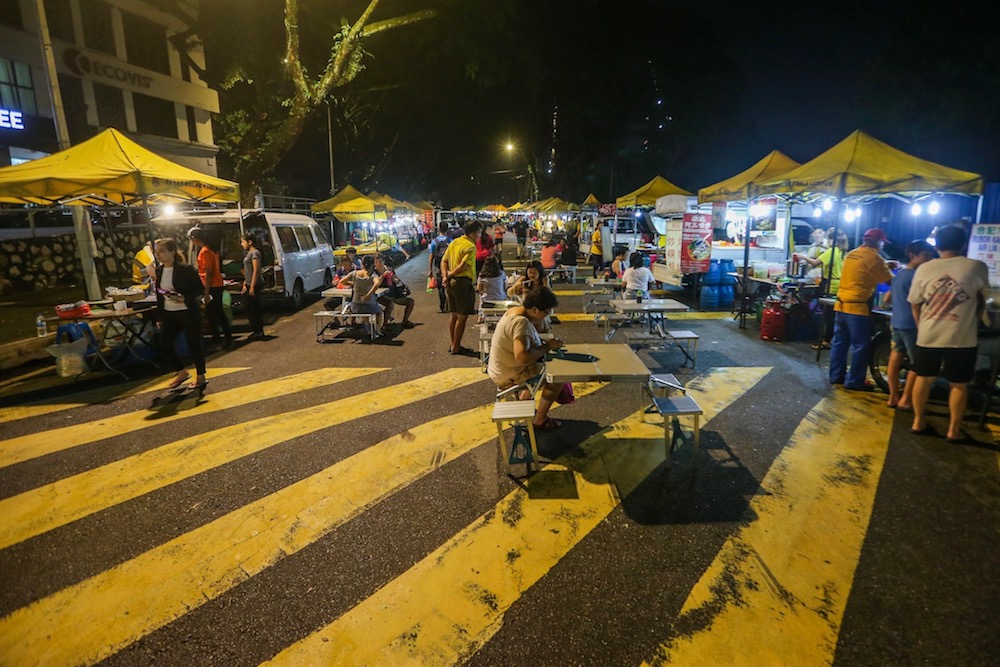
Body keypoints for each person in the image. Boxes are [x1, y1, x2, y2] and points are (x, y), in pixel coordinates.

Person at [908, 225, 990, 442]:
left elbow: (915, 303)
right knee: (959, 384)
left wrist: (921, 327)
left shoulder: (924, 269)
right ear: (963, 244)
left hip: (928, 335)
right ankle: (953, 430)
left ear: (937, 245)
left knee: (923, 379)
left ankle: (918, 422)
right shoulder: (976, 266)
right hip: (961, 337)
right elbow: (985, 298)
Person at [487, 286, 565, 431]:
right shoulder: (520, 323)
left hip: (500, 368)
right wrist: (547, 347)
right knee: (557, 377)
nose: (546, 316)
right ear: (535, 309)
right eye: (546, 312)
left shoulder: (515, 310)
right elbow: (522, 357)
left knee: (548, 368)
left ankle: (526, 396)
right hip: (508, 374)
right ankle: (540, 420)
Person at [828, 228, 894, 391]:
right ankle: (855, 381)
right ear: (879, 243)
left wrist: (886, 264)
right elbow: (891, 282)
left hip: (841, 304)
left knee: (840, 343)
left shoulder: (852, 253)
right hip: (857, 308)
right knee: (861, 346)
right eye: (882, 243)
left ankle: (836, 376)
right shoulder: (875, 258)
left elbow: (863, 269)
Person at [885, 240, 937, 409]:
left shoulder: (899, 274)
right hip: (912, 325)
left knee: (895, 358)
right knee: (918, 363)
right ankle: (906, 399)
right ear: (912, 256)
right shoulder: (917, 276)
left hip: (897, 322)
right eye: (926, 255)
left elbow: (887, 298)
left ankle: (893, 397)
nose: (929, 259)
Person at [152, 238, 207, 391]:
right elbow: (159, 295)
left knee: (194, 344)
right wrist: (159, 317)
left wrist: (184, 297)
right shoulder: (160, 270)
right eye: (156, 252)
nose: (158, 255)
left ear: (172, 252)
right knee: (164, 343)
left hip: (188, 312)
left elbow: (199, 290)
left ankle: (201, 376)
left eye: (161, 252)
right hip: (169, 313)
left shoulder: (186, 269)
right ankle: (181, 371)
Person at [188, 227, 233, 349]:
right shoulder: (213, 250)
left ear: (194, 238)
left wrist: (206, 291)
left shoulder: (205, 251)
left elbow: (208, 271)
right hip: (217, 284)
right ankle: (228, 338)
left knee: (213, 315)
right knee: (219, 313)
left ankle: (217, 342)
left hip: (211, 286)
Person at [802, 231, 849, 348]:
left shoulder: (831, 252)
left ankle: (826, 340)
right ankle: (831, 338)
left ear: (832, 240)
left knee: (828, 315)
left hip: (829, 285)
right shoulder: (844, 252)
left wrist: (802, 256)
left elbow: (814, 262)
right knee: (833, 314)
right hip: (840, 285)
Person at [441, 220, 480, 355]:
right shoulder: (470, 246)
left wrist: (445, 276)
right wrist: (450, 274)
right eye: (478, 233)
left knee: (453, 315)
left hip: (451, 284)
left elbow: (444, 261)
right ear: (473, 233)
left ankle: (453, 344)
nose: (479, 236)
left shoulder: (454, 242)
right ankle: (456, 346)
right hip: (462, 283)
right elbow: (463, 266)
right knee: (462, 317)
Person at [339, 254, 385, 337]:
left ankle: (368, 329)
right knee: (379, 311)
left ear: (362, 264)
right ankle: (378, 330)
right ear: (372, 265)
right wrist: (368, 295)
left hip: (355, 306)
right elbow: (377, 283)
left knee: (363, 311)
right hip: (369, 305)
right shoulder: (372, 275)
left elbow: (341, 281)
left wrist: (353, 283)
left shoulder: (354, 273)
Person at [374, 253, 415, 328]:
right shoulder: (374, 272)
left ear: (383, 261)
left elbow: (396, 281)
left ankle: (405, 321)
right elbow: (376, 284)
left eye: (380, 261)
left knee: (410, 302)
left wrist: (393, 278)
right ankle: (385, 324)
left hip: (394, 294)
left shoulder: (389, 269)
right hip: (381, 295)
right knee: (390, 303)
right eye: (376, 262)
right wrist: (382, 276)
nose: (378, 264)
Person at [241, 232, 266, 340]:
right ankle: (257, 330)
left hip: (255, 284)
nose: (242, 244)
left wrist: (252, 286)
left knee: (251, 307)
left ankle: (258, 330)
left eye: (243, 242)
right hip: (249, 283)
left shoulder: (255, 253)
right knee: (251, 307)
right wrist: (245, 283)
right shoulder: (249, 253)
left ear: (250, 242)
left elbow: (256, 271)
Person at [477, 254, 508, 321]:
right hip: (500, 298)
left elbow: (479, 289)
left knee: (481, 296)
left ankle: (481, 316)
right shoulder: (501, 274)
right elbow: (505, 286)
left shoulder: (482, 275)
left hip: (487, 300)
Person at [428, 222, 451, 313]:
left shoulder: (434, 241)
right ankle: (450, 304)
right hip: (449, 266)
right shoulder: (450, 240)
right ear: (447, 229)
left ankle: (443, 306)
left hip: (438, 267)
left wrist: (430, 269)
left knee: (441, 288)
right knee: (449, 286)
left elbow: (431, 256)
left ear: (438, 229)